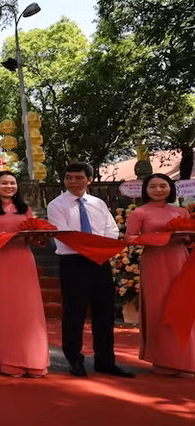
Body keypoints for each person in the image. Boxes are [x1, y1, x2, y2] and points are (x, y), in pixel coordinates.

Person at [47, 162, 135, 378]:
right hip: (73, 263)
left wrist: (100, 250)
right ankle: (75, 360)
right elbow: (64, 235)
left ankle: (105, 361)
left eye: (78, 178)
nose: (73, 182)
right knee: (73, 313)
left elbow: (111, 230)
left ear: (89, 179)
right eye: (69, 178)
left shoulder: (98, 203)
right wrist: (92, 247)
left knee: (104, 312)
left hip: (99, 261)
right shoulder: (56, 205)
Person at [0, 171, 49, 377]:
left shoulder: (25, 210)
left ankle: (35, 361)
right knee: (7, 309)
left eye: (12, 183)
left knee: (30, 309)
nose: (9, 186)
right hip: (2, 261)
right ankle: (10, 362)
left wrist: (39, 237)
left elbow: (31, 237)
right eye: (4, 183)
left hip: (24, 259)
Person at [125, 173, 195, 378]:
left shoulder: (180, 211)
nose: (158, 190)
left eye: (162, 186)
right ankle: (162, 360)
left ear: (170, 188)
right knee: (158, 309)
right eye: (153, 186)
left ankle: (185, 358)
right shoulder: (140, 212)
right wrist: (159, 237)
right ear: (145, 190)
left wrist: (187, 237)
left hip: (181, 261)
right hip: (155, 263)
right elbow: (129, 238)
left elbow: (188, 239)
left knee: (184, 308)